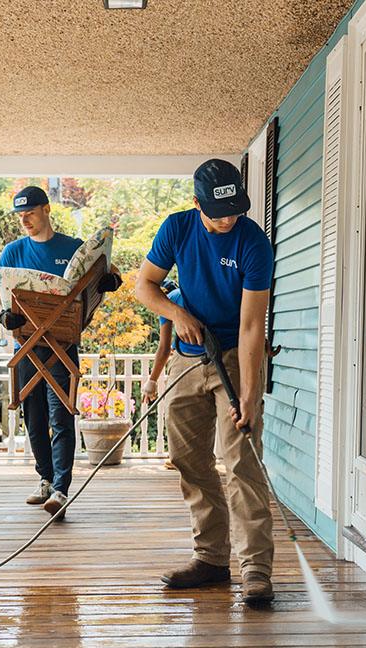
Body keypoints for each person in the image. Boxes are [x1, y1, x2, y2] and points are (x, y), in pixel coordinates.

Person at [134, 159, 275, 603]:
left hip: (234, 355)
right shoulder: (177, 229)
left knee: (241, 462)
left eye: (235, 210)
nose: (229, 219)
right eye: (219, 213)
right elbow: (144, 286)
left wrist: (248, 396)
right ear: (197, 204)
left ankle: (255, 570)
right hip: (187, 357)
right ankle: (212, 559)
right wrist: (176, 314)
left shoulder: (254, 243)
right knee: (188, 459)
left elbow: (252, 327)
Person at [0, 185, 121, 521]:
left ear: (47, 210)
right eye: (20, 216)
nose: (25, 221)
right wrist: (2, 316)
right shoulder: (13, 252)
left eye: (30, 213)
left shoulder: (72, 248)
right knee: (34, 419)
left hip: (62, 346)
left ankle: (61, 489)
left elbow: (108, 270)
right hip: (26, 347)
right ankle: (45, 480)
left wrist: (109, 281)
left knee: (61, 416)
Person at [142, 279, 180, 470]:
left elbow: (164, 348)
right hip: (219, 354)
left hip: (187, 360)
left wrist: (152, 381)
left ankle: (177, 458)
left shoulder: (169, 301)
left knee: (176, 412)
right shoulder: (186, 295)